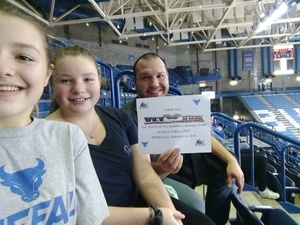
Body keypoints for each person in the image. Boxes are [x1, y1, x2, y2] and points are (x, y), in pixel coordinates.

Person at [47, 45, 216, 225]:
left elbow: (145, 175)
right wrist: (154, 216)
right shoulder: (46, 137)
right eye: (66, 81)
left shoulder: (119, 117)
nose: (78, 88)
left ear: (99, 81)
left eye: (88, 79)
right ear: (51, 82)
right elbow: (73, 212)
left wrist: (172, 216)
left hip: (141, 206)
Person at [0, 2, 109, 224]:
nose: (3, 69)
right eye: (68, 80)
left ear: (47, 74)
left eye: (23, 57)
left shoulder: (68, 138)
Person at [123, 52, 245, 225]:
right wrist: (162, 168)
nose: (154, 84)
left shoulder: (176, 104)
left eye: (160, 76)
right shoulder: (127, 117)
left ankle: (216, 220)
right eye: (145, 77)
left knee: (224, 169)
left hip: (179, 163)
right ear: (134, 82)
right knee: (195, 205)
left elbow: (203, 136)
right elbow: (138, 171)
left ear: (167, 77)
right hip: (157, 174)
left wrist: (231, 160)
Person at [211, 124, 280, 199]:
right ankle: (263, 190)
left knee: (251, 151)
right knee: (261, 159)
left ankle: (255, 180)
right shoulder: (205, 132)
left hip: (227, 151)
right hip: (223, 156)